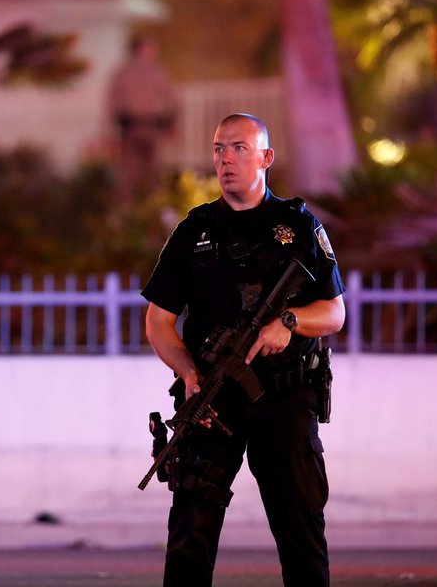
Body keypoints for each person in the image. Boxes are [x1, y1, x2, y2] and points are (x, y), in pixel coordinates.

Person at [141, 113, 346, 586]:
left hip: (285, 399)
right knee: (190, 535)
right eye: (218, 149)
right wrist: (189, 372)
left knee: (300, 531)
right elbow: (158, 322)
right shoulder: (194, 232)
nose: (225, 159)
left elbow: (335, 313)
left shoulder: (297, 225)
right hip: (212, 401)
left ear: (265, 158)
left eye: (237, 148)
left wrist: (288, 323)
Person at [107, 35, 178, 203]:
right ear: (141, 49)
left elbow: (111, 103)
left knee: (133, 175)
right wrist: (171, 124)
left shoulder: (122, 73)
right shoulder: (156, 73)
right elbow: (172, 101)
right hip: (142, 127)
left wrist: (109, 131)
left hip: (136, 127)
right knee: (145, 174)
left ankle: (131, 212)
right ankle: (147, 210)